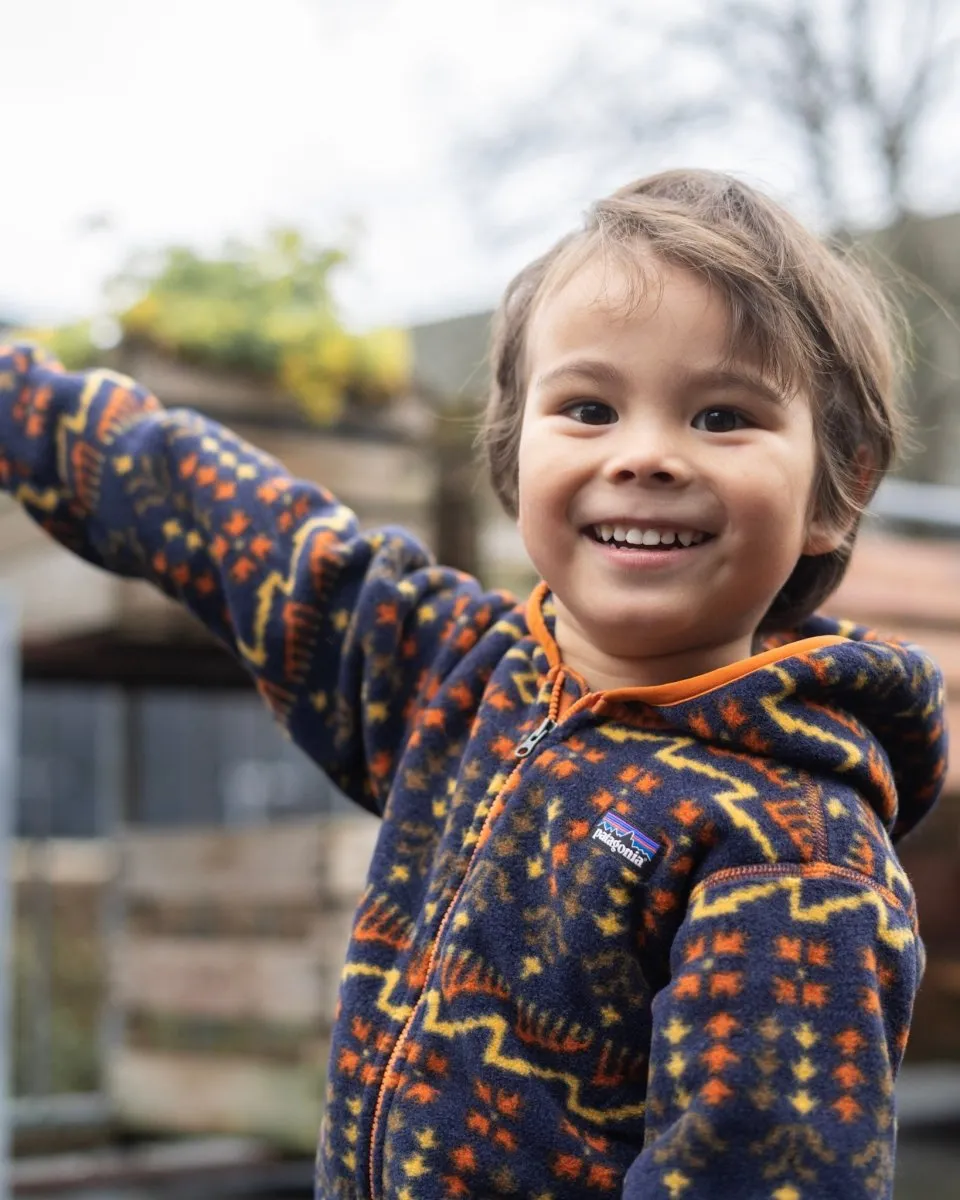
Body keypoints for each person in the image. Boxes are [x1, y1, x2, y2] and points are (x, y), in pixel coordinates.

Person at [0, 169, 946, 1200]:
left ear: (838, 487)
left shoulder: (795, 855)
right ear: (511, 453)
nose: (646, 455)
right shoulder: (459, 678)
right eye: (589, 407)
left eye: (723, 417)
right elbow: (215, 513)